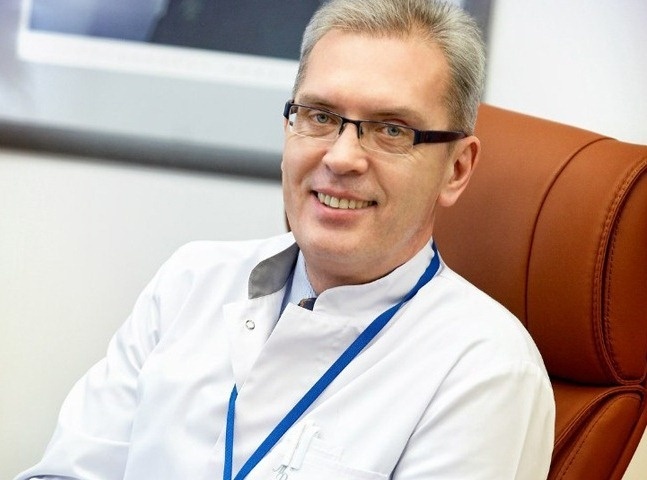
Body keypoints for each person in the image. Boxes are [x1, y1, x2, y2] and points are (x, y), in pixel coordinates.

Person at [15, 1, 555, 479]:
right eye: (319, 116)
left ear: (456, 169)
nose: (341, 157)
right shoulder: (191, 281)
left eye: (391, 129)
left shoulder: (487, 371)